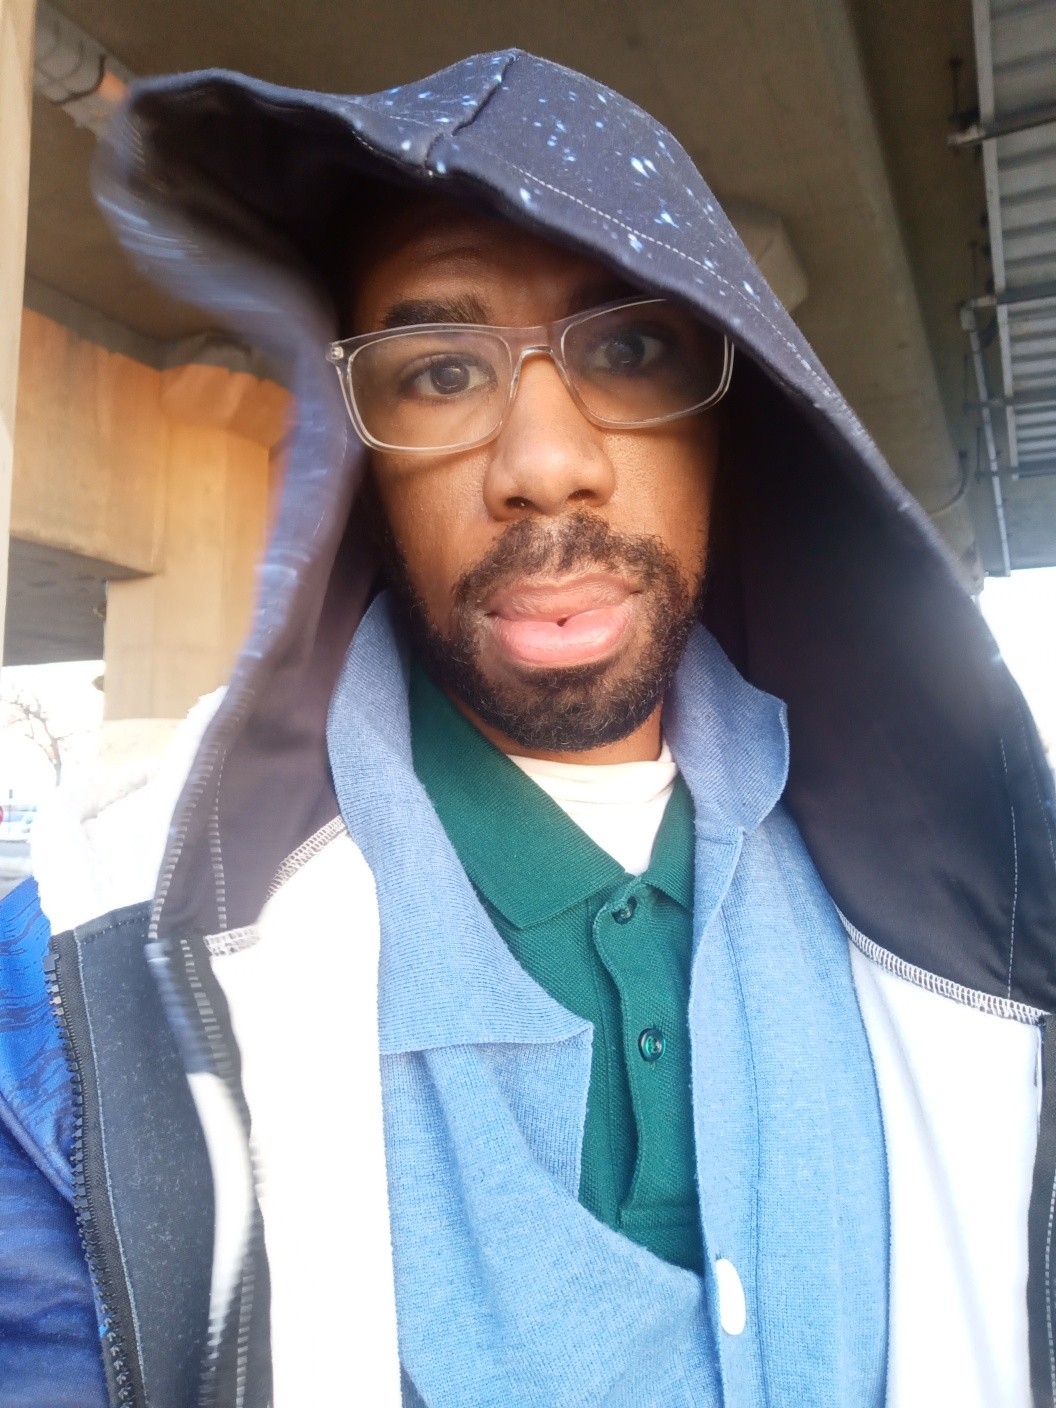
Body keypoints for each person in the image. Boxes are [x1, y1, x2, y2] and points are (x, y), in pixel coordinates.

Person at [1, 47, 1053, 1408]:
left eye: (629, 349)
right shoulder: (84, 1004)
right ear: (361, 461)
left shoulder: (983, 929)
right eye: (441, 372)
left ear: (735, 428)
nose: (547, 463)